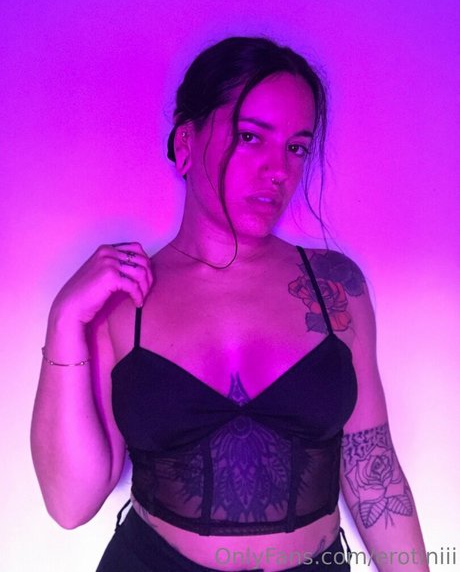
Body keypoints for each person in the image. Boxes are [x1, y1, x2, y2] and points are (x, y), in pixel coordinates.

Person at [30, 36, 430, 572]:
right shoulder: (124, 301)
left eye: (296, 148)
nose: (278, 169)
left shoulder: (335, 287)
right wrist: (64, 321)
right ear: (186, 141)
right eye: (249, 137)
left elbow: (373, 475)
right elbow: (70, 504)